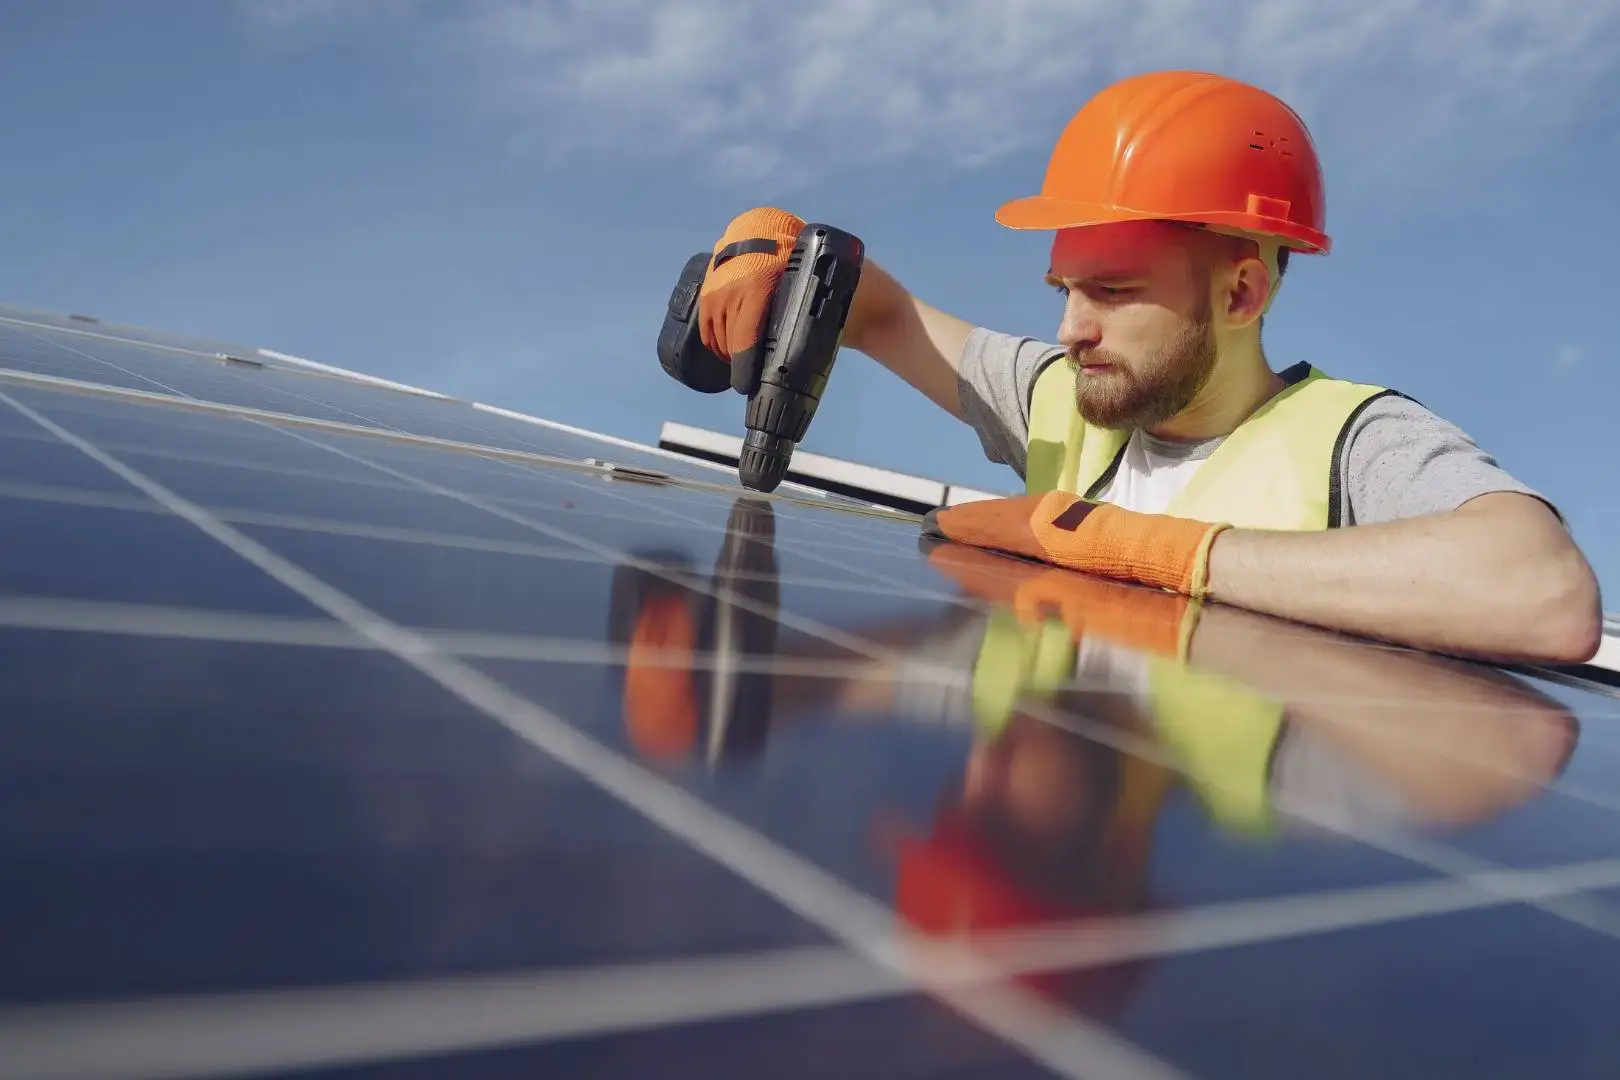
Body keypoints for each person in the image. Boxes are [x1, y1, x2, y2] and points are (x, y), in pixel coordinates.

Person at [693, 69, 1602, 665]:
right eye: (1063, 287)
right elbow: (872, 308)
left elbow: (1542, 592)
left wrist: (1141, 552)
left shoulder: (1351, 441)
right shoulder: (1069, 398)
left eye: (1115, 292)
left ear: (1242, 294)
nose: (1070, 328)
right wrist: (775, 241)